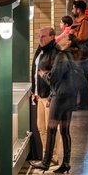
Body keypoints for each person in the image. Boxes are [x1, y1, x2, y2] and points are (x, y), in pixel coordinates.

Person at [30, 31, 86, 174]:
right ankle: (65, 163)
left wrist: (43, 74)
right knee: (65, 131)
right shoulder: (73, 55)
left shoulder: (61, 56)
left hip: (59, 97)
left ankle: (46, 162)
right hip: (70, 97)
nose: (60, 38)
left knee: (51, 129)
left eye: (64, 37)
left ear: (68, 42)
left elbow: (53, 78)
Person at [30, 26, 58, 162]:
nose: (40, 39)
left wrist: (52, 97)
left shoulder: (55, 52)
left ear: (52, 37)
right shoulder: (39, 50)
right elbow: (35, 71)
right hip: (39, 95)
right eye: (39, 36)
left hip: (49, 97)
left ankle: (53, 157)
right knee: (41, 127)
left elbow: (56, 77)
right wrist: (34, 91)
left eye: (43, 36)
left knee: (51, 129)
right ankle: (46, 156)